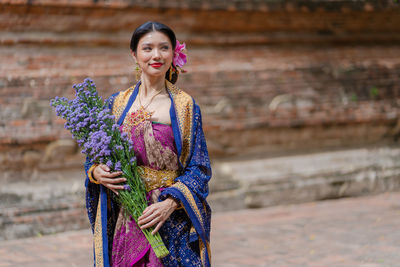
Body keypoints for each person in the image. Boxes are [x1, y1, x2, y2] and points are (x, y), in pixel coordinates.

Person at [84, 21, 212, 267]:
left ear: (174, 53)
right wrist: (96, 171)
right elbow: (96, 155)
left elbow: (200, 167)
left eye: (164, 48)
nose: (156, 55)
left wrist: (170, 203)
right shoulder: (116, 104)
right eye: (147, 48)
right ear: (134, 54)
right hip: (127, 215)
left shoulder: (184, 106)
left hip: (168, 220)